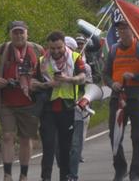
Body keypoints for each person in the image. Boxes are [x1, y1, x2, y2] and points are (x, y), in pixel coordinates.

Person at [0, 21, 44, 181]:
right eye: (15, 32)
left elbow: (47, 71)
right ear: (10, 34)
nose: (19, 36)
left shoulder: (38, 50)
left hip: (29, 102)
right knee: (7, 136)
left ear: (27, 33)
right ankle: (7, 175)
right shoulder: (1, 50)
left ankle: (24, 175)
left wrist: (38, 83)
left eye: (22, 32)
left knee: (26, 139)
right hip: (7, 101)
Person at [32, 31, 86, 181]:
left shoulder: (75, 57)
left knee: (65, 148)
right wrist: (48, 84)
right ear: (48, 47)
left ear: (64, 44)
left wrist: (68, 79)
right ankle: (46, 178)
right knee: (48, 148)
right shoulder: (42, 60)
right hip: (48, 110)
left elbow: (82, 78)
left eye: (59, 48)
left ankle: (65, 177)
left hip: (67, 109)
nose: (56, 51)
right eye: (52, 48)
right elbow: (32, 83)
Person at [103, 18, 139, 181]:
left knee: (137, 136)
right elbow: (105, 74)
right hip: (117, 97)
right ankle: (120, 168)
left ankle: (135, 173)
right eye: (120, 30)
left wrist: (135, 76)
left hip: (136, 97)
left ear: (132, 29)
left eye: (125, 28)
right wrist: (112, 83)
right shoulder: (114, 50)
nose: (122, 32)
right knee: (114, 135)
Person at [65, 36, 92, 181]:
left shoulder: (85, 66)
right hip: (62, 110)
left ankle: (73, 175)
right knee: (62, 147)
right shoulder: (54, 64)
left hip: (79, 110)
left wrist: (84, 99)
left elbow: (89, 88)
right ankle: (65, 173)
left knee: (76, 145)